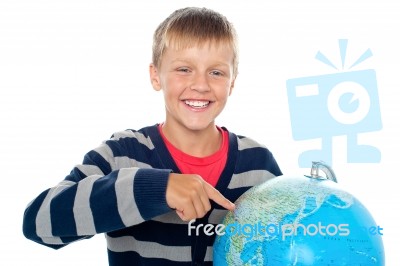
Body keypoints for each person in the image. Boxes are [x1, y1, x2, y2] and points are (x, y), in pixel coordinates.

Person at [22, 7, 282, 265]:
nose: (201, 85)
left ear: (232, 82)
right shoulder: (121, 155)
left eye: (216, 72)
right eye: (184, 69)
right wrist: (154, 189)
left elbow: (290, 245)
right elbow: (38, 223)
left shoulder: (259, 165)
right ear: (156, 76)